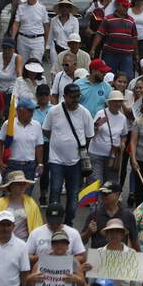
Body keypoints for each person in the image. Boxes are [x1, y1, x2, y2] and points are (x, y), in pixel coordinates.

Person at [42, 83, 94, 225]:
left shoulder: (85, 113)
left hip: (76, 162)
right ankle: (54, 222)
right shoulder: (54, 111)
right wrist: (59, 140)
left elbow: (89, 136)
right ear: (64, 97)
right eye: (72, 97)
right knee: (55, 191)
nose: (75, 100)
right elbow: (46, 130)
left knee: (73, 195)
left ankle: (68, 222)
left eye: (78, 97)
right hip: (56, 160)